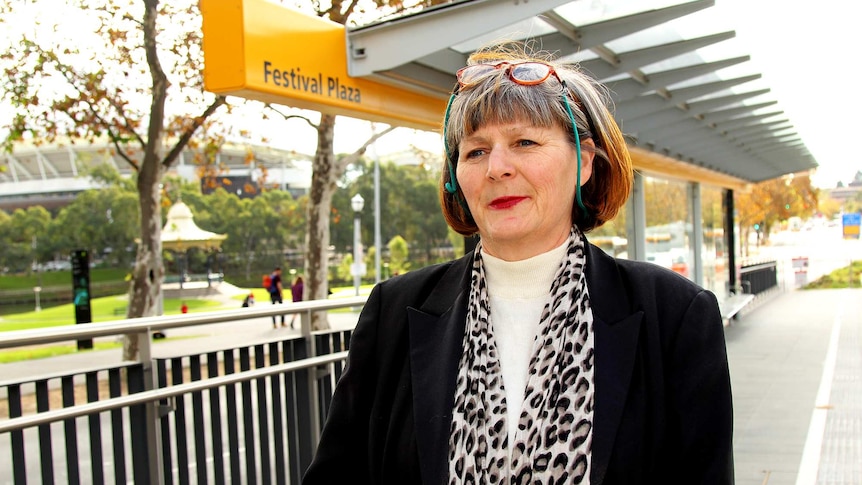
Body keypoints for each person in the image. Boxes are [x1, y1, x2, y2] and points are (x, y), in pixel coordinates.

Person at [302, 41, 733, 484]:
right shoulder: (393, 311)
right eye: (475, 151)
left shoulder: (675, 315)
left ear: (584, 161)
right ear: (457, 177)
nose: (498, 167)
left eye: (524, 141)